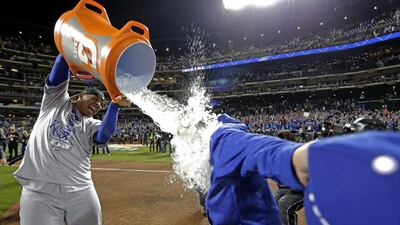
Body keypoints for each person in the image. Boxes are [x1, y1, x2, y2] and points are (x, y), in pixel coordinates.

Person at [206, 114, 400, 225]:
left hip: (299, 189)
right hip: (294, 185)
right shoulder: (324, 153)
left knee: (284, 205)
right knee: (277, 198)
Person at [13, 54, 130, 225]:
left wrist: (114, 107)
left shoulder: (92, 124)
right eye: (96, 100)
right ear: (78, 96)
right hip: (39, 190)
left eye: (101, 106)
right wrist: (72, 47)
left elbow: (103, 136)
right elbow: (61, 65)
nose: (98, 106)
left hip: (81, 189)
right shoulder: (55, 101)